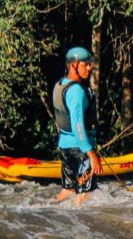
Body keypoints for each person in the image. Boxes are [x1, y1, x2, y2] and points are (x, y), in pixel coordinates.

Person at [53, 47, 101, 204]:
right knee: (85, 198)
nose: (89, 67)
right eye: (85, 64)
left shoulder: (59, 85)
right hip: (81, 151)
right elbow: (78, 126)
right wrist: (91, 154)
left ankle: (45, 213)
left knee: (67, 192)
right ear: (74, 66)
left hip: (65, 149)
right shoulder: (77, 91)